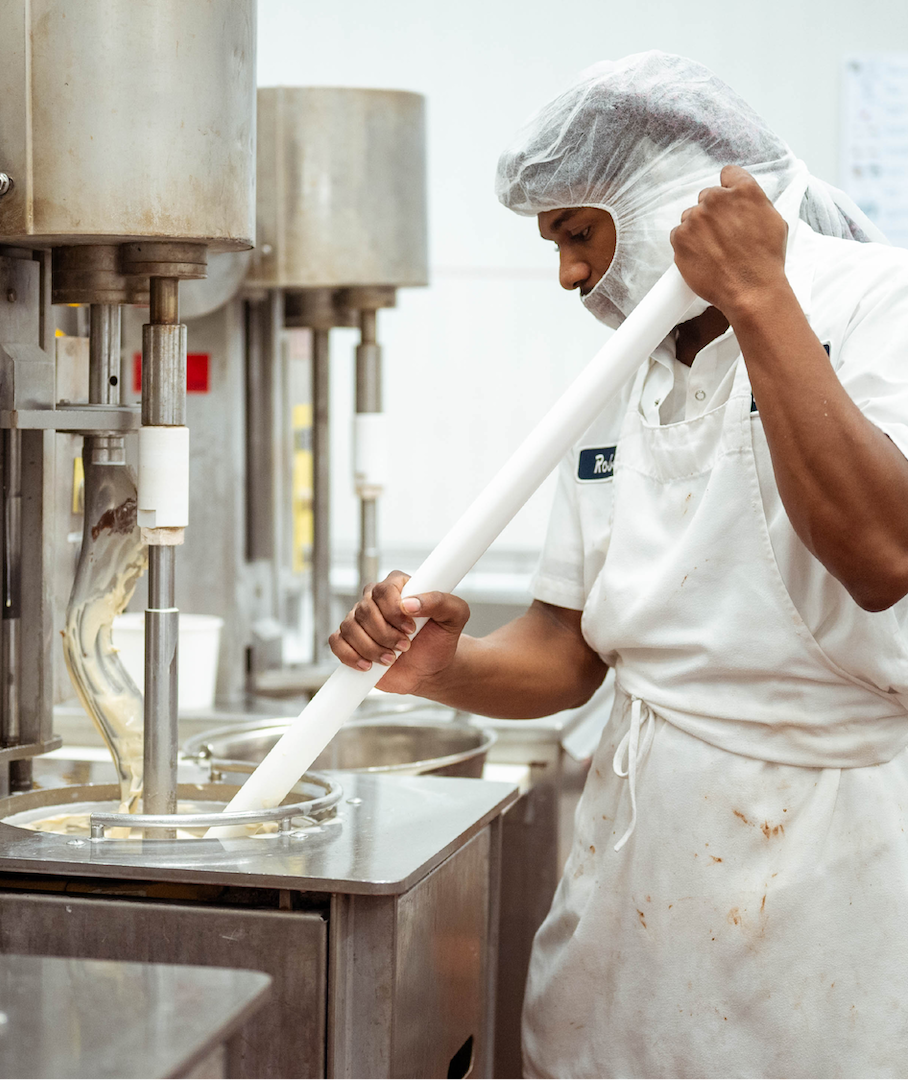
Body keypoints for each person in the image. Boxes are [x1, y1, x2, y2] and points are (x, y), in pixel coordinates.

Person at [330, 51, 908, 1079]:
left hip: (833, 866)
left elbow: (880, 552)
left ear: (670, 201)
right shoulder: (628, 370)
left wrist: (763, 299)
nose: (567, 275)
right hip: (639, 862)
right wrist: (444, 666)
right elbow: (569, 649)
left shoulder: (880, 304)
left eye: (577, 233)